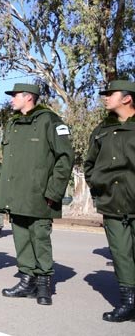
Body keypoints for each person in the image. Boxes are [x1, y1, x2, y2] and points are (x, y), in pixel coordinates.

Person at [0, 83, 74, 305]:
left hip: (40, 194)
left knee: (40, 239)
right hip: (16, 194)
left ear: (28, 97)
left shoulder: (49, 121)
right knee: (21, 238)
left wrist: (55, 190)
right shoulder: (13, 124)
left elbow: (65, 157)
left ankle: (44, 284)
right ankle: (26, 279)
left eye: (15, 96)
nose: (11, 99)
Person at [84, 80, 135, 322]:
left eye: (110, 94)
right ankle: (128, 303)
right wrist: (97, 188)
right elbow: (89, 165)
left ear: (127, 98)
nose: (105, 98)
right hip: (112, 203)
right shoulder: (101, 130)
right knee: (121, 254)